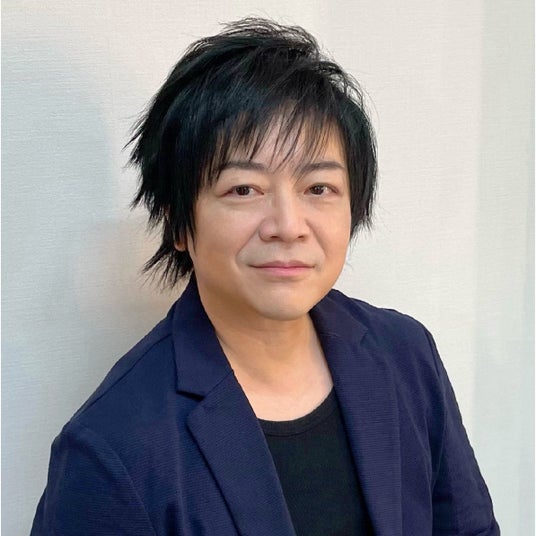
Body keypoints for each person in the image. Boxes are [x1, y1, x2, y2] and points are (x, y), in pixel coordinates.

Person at [30, 18, 499, 535]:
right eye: (243, 189)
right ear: (177, 221)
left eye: (318, 188)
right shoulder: (113, 446)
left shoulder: (405, 354)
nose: (288, 226)